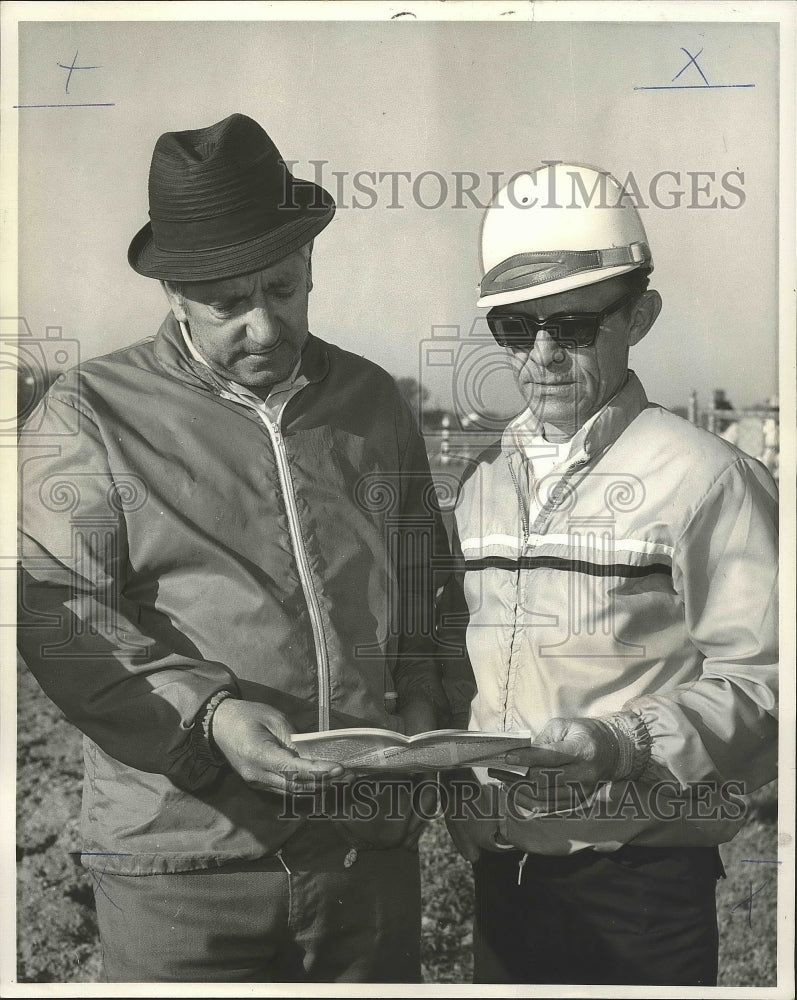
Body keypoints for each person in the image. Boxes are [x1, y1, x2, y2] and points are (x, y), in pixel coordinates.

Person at [17, 113, 450, 983]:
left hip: (363, 862)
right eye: (226, 305)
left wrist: (427, 716)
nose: (262, 326)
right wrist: (208, 720)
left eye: (282, 290)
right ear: (172, 292)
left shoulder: (370, 401)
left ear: (309, 268)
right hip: (181, 870)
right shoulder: (88, 411)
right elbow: (63, 620)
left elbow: (427, 594)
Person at [439, 162, 778, 986]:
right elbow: (461, 659)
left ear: (640, 315)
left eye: (575, 326)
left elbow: (767, 677)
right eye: (516, 331)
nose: (543, 355)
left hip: (641, 887)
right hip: (503, 873)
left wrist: (620, 744)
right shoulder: (480, 479)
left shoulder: (708, 477)